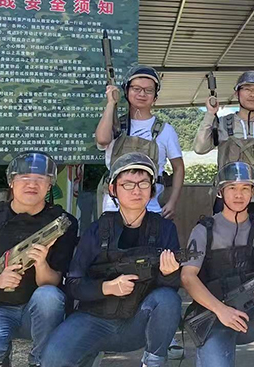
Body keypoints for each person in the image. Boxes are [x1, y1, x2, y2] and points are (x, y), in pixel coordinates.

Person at [42, 153, 183, 367]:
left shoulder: (165, 229)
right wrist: (107, 287)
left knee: (168, 299)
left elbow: (169, 292)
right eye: (127, 184)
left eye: (144, 183)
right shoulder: (97, 230)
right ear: (113, 189)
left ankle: (153, 361)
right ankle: (88, 354)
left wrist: (169, 274)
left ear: (153, 189)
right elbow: (73, 284)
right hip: (93, 319)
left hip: (137, 322)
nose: (137, 190)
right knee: (53, 361)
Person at [0, 151, 78, 367]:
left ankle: (40, 361)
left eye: (40, 179)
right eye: (24, 178)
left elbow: (53, 283)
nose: (32, 184)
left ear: (50, 185)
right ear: (11, 182)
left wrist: (41, 264)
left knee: (49, 296)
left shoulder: (62, 223)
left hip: (40, 313)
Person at [181, 161, 254, 367]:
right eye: (232, 188)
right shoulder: (203, 230)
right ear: (220, 192)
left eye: (245, 188)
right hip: (213, 317)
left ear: (252, 192)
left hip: (250, 315)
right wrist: (221, 310)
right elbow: (188, 277)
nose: (239, 195)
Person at [194, 71, 254, 227]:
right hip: (226, 199)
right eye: (247, 89)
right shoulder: (222, 124)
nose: (252, 94)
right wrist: (210, 115)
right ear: (237, 93)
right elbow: (200, 148)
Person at [95, 64, 184, 219]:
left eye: (148, 90)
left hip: (151, 207)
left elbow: (179, 168)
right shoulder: (115, 124)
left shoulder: (165, 130)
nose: (142, 94)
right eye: (136, 89)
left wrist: (172, 202)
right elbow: (102, 140)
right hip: (113, 207)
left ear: (155, 97)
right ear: (126, 91)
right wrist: (111, 103)